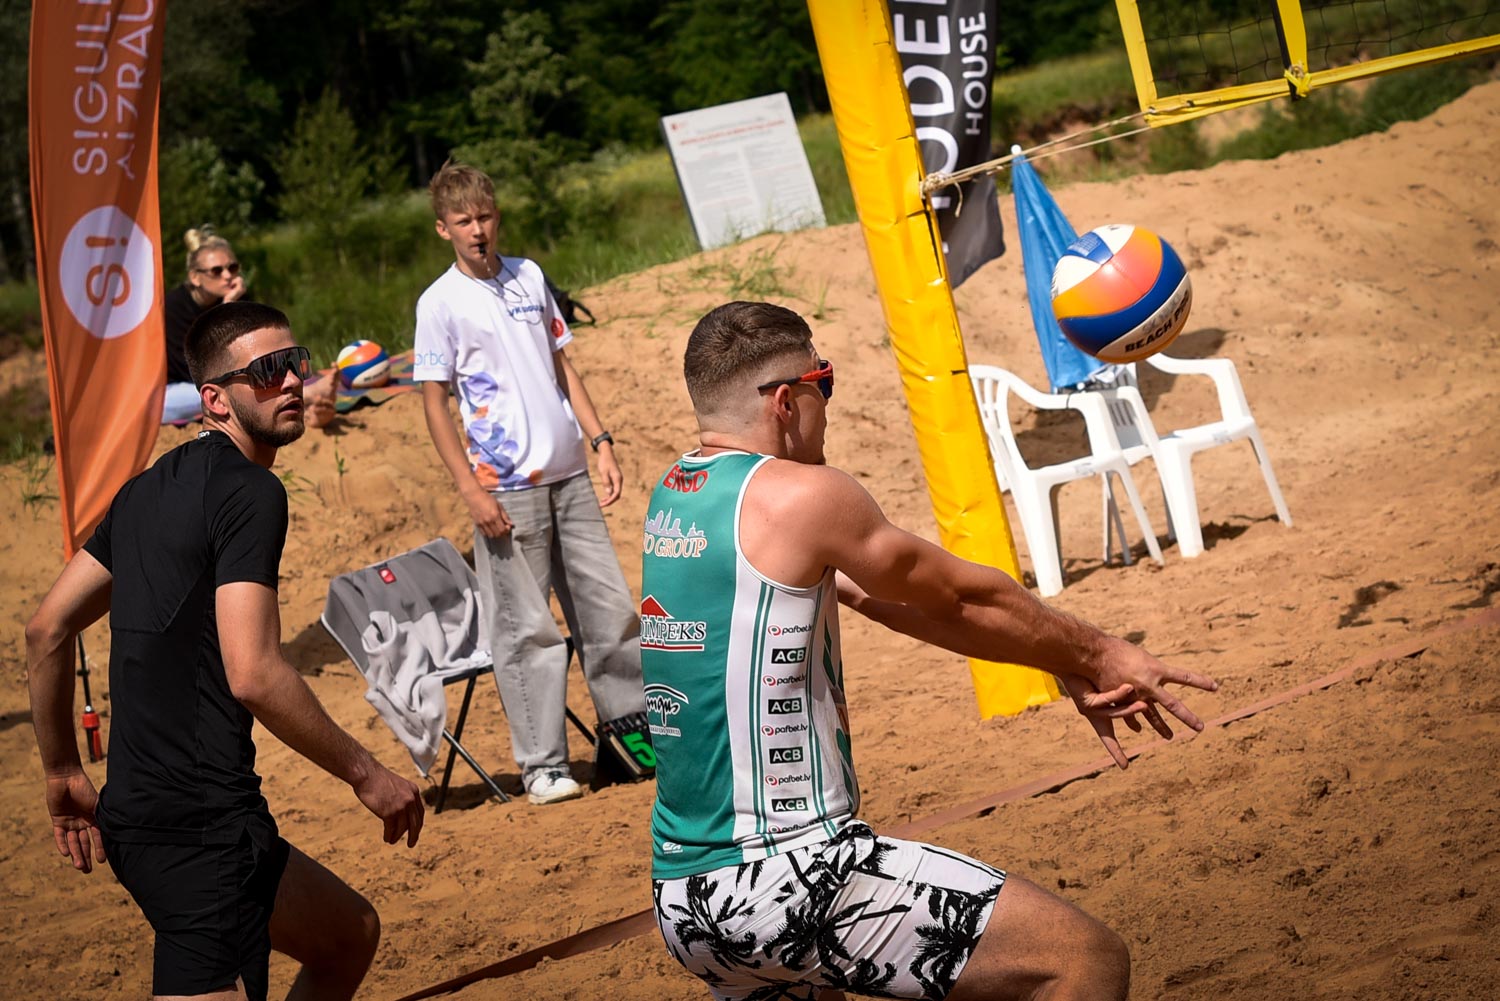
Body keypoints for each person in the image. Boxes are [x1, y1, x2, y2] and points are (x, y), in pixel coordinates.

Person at [642, 301, 1220, 1001]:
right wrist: (1099, 653)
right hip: (792, 874)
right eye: (825, 381)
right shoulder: (800, 496)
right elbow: (958, 597)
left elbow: (881, 597)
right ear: (786, 402)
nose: (830, 402)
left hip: (689, 903)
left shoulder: (674, 498)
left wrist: (1060, 658)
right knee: (1083, 960)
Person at [26, 301, 426, 1001]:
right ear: (215, 399)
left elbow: (47, 629)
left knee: (348, 934)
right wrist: (367, 774)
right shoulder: (251, 493)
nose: (292, 381)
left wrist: (62, 769)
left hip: (147, 815)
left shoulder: (142, 491)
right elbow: (255, 673)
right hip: (200, 832)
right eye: (267, 371)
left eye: (295, 363)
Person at [413, 161, 648, 806]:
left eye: (485, 216)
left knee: (610, 613)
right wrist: (470, 490)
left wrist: (600, 440)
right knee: (527, 631)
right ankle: (544, 765)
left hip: (571, 473)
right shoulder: (438, 303)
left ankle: (634, 741)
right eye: (463, 221)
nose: (478, 230)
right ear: (443, 229)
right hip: (505, 486)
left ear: (498, 217)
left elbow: (561, 364)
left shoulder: (529, 276)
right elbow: (434, 404)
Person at [161, 227, 247, 423]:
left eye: (232, 268)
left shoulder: (237, 298)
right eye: (217, 271)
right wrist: (225, 311)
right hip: (176, 389)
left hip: (221, 384)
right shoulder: (174, 308)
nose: (227, 276)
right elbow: (197, 371)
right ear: (195, 277)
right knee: (235, 392)